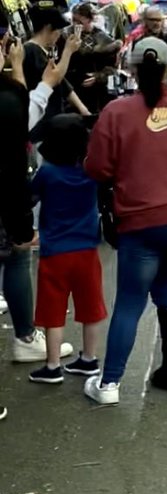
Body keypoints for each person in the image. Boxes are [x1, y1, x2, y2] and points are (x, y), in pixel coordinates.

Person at [83, 37, 167, 404]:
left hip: (141, 223)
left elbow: (97, 168)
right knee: (166, 290)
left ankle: (109, 383)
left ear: (129, 68)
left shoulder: (115, 112)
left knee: (130, 301)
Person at [0, 34, 77, 384]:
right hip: (5, 202)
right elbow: (19, 119)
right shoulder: (8, 101)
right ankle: (27, 337)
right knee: (17, 256)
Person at [27, 114, 107, 385]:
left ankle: (52, 366)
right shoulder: (90, 169)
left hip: (55, 250)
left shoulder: (47, 172)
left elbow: (30, 198)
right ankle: (89, 359)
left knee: (53, 310)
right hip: (87, 248)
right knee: (91, 305)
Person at [22, 0, 90, 139]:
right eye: (58, 29)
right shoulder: (31, 51)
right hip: (39, 126)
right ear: (48, 27)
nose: (60, 33)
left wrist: (82, 108)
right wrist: (68, 51)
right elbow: (55, 78)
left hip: (49, 121)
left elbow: (63, 83)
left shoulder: (41, 50)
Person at [65, 3, 120, 118]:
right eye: (73, 20)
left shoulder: (103, 38)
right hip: (71, 87)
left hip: (96, 92)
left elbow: (113, 68)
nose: (75, 25)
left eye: (79, 22)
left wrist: (98, 77)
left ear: (90, 19)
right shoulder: (64, 35)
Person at [126, 6, 167, 91]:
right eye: (153, 20)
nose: (156, 23)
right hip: (146, 91)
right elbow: (134, 67)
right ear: (145, 21)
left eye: (159, 20)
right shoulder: (138, 41)